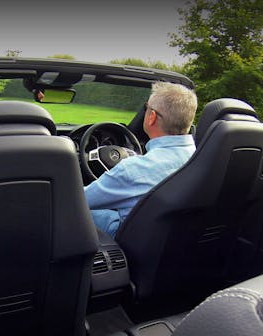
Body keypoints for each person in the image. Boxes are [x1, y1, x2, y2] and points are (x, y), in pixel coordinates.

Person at [84, 82, 198, 238]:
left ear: (151, 117)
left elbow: (80, 200)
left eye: (146, 108)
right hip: (174, 240)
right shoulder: (202, 159)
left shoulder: (133, 169)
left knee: (75, 210)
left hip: (129, 241)